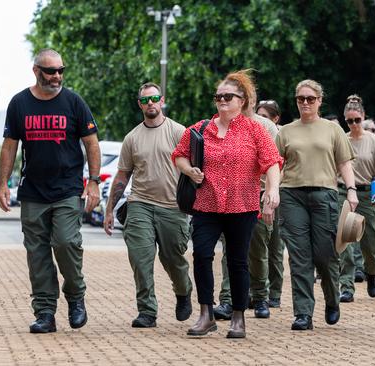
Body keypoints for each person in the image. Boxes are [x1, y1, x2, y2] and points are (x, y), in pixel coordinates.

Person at [0, 48, 101, 333]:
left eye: (60, 70)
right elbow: (9, 146)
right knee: (37, 254)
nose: (57, 76)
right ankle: (45, 312)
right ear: (36, 71)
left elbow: (91, 142)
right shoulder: (19, 103)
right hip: (32, 192)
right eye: (50, 71)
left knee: (66, 243)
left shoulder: (74, 102)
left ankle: (76, 296)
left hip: (67, 189)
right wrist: (4, 184)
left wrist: (93, 181)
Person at [172, 70, 282, 339]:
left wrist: (273, 190)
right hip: (206, 204)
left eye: (227, 96)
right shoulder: (199, 129)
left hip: (242, 204)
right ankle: (206, 314)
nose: (222, 100)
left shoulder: (255, 129)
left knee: (237, 261)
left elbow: (272, 162)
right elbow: (179, 156)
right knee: (202, 256)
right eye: (218, 96)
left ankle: (238, 317)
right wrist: (189, 171)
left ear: (242, 100)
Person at [103, 82, 193, 328]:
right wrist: (109, 210)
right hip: (140, 203)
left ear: (162, 100)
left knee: (173, 259)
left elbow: (194, 170)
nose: (150, 103)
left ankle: (183, 291)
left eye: (154, 99)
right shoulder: (132, 138)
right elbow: (122, 176)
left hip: (172, 207)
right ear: (140, 104)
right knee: (140, 259)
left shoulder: (178, 131)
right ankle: (147, 310)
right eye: (145, 100)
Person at [276, 79, 358, 331]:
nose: (305, 103)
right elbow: (277, 166)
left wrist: (352, 190)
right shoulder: (286, 131)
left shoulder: (332, 130)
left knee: (325, 255)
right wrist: (271, 194)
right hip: (292, 195)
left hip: (325, 195)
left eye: (310, 99)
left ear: (320, 101)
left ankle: (332, 300)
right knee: (300, 257)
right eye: (301, 99)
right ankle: (303, 313)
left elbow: (344, 163)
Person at [213, 95, 280, 320]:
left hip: (259, 196)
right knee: (229, 251)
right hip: (231, 197)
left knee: (258, 250)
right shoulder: (225, 124)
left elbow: (275, 164)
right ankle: (227, 300)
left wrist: (270, 198)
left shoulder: (266, 127)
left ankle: (260, 297)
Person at [337, 95, 375, 303]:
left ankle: (370, 271)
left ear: (363, 117)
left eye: (357, 120)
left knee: (369, 243)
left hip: (368, 194)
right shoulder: (342, 139)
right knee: (345, 240)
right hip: (344, 192)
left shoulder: (373, 140)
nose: (354, 125)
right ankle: (347, 286)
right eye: (350, 121)